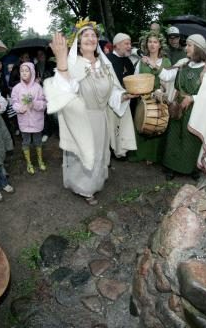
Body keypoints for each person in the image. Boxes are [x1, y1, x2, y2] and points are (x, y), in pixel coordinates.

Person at [43, 18, 136, 206]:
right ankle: (85, 187)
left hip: (100, 117)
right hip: (82, 118)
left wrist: (123, 96)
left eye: (93, 35)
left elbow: (112, 91)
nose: (90, 38)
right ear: (78, 42)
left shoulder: (105, 64)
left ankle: (97, 179)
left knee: (99, 152)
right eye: (86, 35)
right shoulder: (73, 64)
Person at [153, 34, 206, 178]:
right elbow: (167, 76)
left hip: (195, 110)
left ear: (198, 48)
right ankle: (171, 167)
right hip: (177, 107)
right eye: (186, 45)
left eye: (189, 45)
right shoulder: (183, 63)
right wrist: (154, 65)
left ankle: (190, 169)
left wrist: (192, 98)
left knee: (190, 139)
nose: (186, 48)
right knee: (174, 137)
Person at [128, 30, 171, 164]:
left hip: (160, 100)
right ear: (146, 44)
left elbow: (169, 82)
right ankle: (140, 154)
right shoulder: (141, 62)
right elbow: (136, 80)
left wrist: (160, 91)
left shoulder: (166, 62)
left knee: (157, 126)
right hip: (144, 99)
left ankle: (153, 156)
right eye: (150, 42)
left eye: (155, 42)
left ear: (160, 45)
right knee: (142, 124)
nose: (152, 45)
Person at [11, 62, 47, 174]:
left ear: (32, 72)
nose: (24, 73)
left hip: (36, 120)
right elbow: (14, 102)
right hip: (24, 121)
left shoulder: (38, 87)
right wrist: (19, 108)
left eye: (27, 71)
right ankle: (29, 163)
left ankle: (40, 161)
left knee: (37, 140)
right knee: (26, 141)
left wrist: (34, 104)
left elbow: (44, 103)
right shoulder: (16, 88)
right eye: (22, 71)